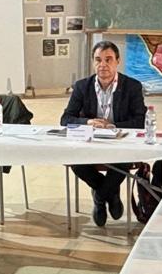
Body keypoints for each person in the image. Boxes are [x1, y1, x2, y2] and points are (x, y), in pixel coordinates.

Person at [61, 40, 146, 227]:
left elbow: (140, 121)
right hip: (90, 143)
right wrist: (88, 122)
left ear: (117, 61)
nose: (103, 65)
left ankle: (99, 198)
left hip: (120, 143)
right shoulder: (82, 86)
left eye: (108, 59)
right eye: (98, 60)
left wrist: (113, 126)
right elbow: (66, 119)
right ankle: (111, 193)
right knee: (74, 161)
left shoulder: (132, 86)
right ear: (93, 62)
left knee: (123, 161)